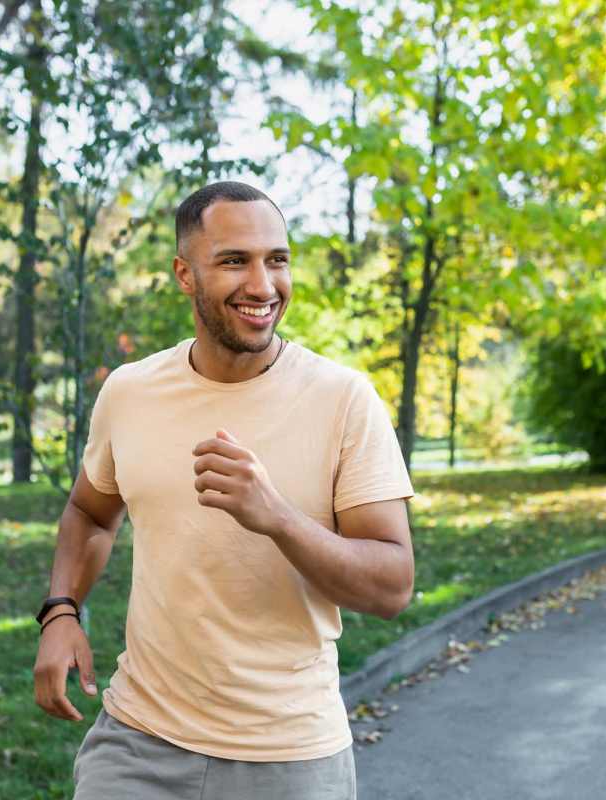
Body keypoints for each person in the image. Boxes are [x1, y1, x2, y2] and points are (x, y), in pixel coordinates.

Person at [32, 181, 416, 799]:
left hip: (290, 758)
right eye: (235, 261)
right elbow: (90, 512)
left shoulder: (344, 400)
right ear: (185, 274)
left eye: (277, 259)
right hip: (138, 742)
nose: (263, 285)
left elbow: (393, 586)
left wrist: (277, 517)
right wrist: (60, 611)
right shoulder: (131, 392)